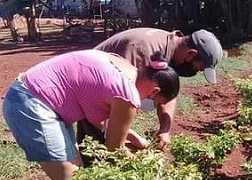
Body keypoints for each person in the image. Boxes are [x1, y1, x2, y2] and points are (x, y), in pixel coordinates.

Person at [2, 49, 180, 180]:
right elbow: (114, 150)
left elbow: (104, 120)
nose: (152, 106)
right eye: (158, 103)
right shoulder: (127, 95)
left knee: (77, 175)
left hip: (28, 95)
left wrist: (134, 138)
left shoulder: (123, 66)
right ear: (155, 91)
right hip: (32, 106)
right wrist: (145, 168)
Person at [88, 27, 224, 149]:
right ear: (191, 54)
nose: (194, 72)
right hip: (88, 90)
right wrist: (130, 138)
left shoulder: (172, 50)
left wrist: (164, 130)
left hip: (107, 91)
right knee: (98, 148)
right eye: (197, 68)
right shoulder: (143, 52)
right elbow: (118, 101)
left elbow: (169, 94)